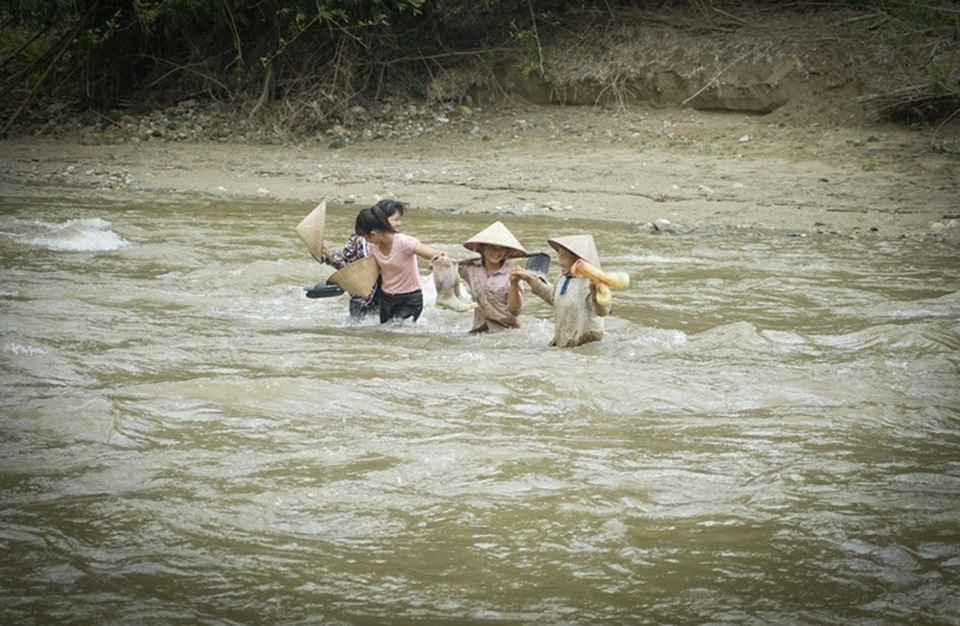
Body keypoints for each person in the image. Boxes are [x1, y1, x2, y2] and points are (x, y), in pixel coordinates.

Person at [511, 233, 611, 348]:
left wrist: (594, 294)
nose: (560, 262)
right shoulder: (562, 278)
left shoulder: (590, 283)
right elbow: (553, 297)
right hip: (566, 341)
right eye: (559, 257)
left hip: (586, 342)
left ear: (578, 260)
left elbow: (603, 311)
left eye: (563, 258)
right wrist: (529, 278)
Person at [355, 203, 446, 324]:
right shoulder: (373, 246)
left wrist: (437, 261)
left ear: (373, 234)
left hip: (410, 299)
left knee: (397, 331)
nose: (367, 242)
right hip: (386, 299)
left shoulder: (405, 242)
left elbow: (437, 255)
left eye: (366, 238)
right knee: (386, 335)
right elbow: (370, 270)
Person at [321, 199, 405, 320]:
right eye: (396, 219)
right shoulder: (357, 239)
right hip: (361, 297)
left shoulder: (399, 241)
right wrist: (329, 255)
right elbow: (349, 267)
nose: (399, 224)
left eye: (400, 219)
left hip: (388, 296)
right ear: (382, 220)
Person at [457, 221, 528, 333]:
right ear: (482, 248)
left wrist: (514, 284)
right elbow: (444, 268)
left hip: (506, 332)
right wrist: (440, 260)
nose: (496, 251)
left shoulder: (513, 274)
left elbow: (515, 311)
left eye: (501, 248)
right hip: (478, 331)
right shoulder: (471, 269)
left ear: (507, 252)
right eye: (492, 246)